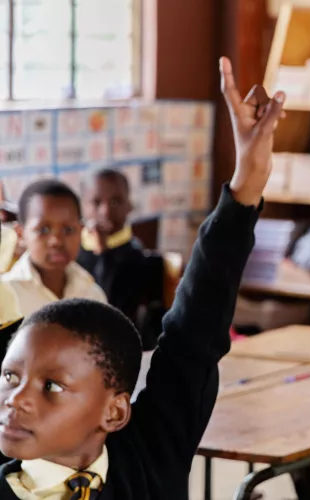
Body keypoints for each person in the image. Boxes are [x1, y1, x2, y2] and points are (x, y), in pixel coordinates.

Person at [0, 56, 285, 499]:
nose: (15, 399)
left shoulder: (150, 456)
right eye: (9, 377)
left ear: (114, 412)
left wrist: (247, 183)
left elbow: (195, 331)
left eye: (52, 386)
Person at [77, 168, 164, 350]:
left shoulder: (135, 256)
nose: (106, 211)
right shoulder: (72, 250)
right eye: (96, 202)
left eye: (116, 201)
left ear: (129, 206)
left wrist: (103, 253)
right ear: (82, 208)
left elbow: (106, 305)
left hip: (116, 346)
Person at [2, 180, 107, 317]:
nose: (57, 241)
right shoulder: (5, 295)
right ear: (21, 234)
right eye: (43, 230)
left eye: (68, 229)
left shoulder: (92, 295)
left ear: (80, 231)